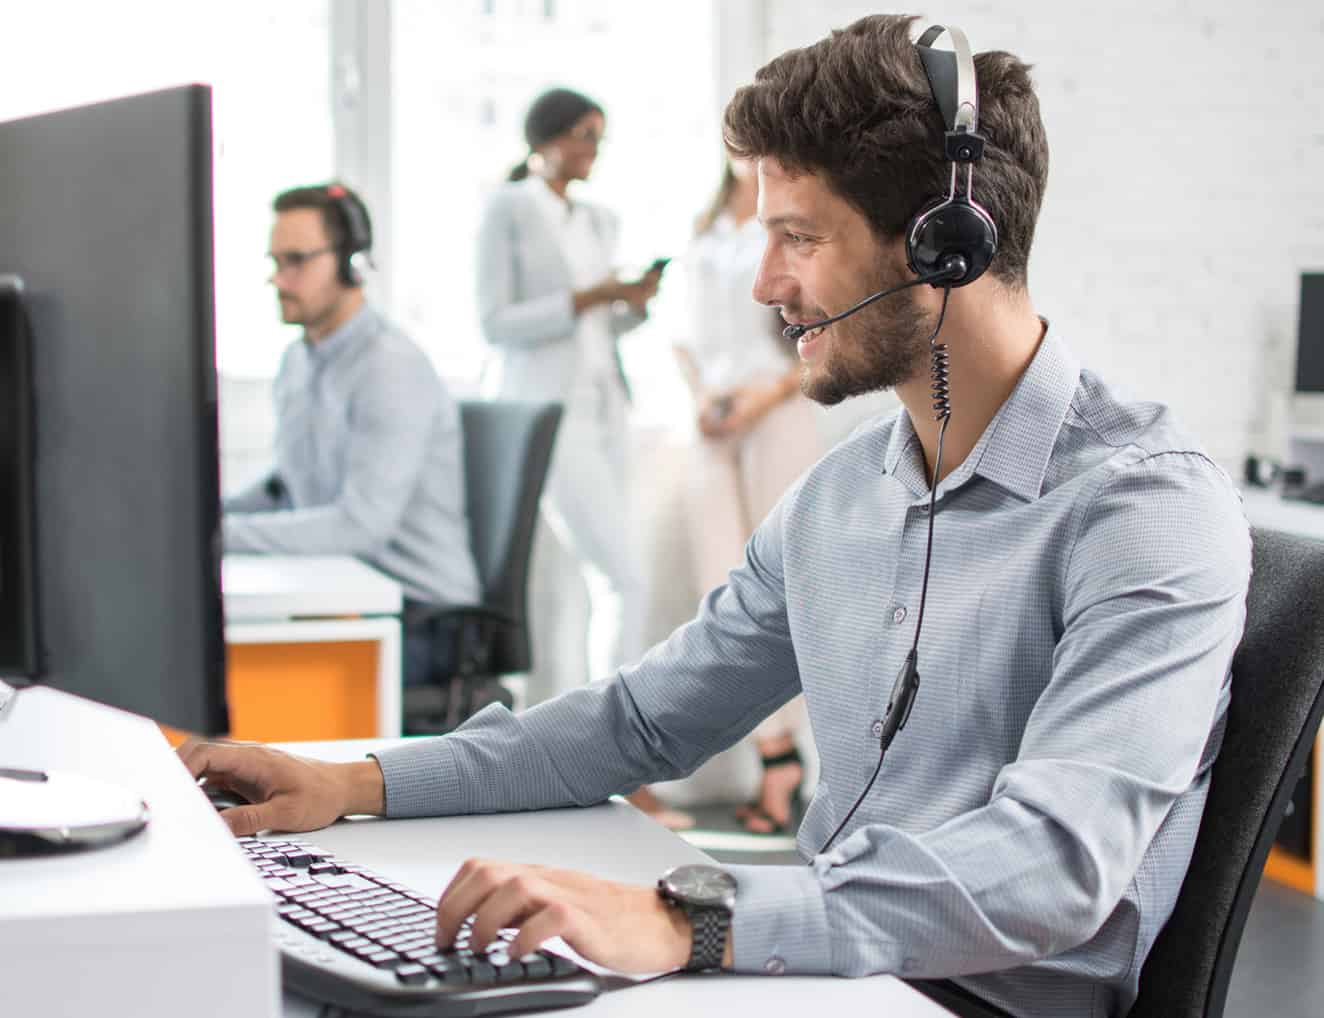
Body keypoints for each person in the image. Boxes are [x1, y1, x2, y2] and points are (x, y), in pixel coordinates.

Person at [185, 18, 1250, 1017]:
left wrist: (681, 917)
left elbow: (1052, 865)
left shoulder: (1144, 506)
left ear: (941, 246)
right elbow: (637, 723)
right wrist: (353, 780)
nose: (764, 283)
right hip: (821, 977)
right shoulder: (842, 497)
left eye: (798, 237)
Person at [474, 88, 687, 828]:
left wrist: (632, 302)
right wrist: (590, 294)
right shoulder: (509, 208)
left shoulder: (599, 217)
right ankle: (616, 759)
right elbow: (496, 323)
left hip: (605, 409)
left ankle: (570, 755)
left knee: (586, 590)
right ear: (547, 139)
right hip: (546, 415)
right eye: (583, 135)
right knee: (620, 577)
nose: (593, 148)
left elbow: (605, 329)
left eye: (601, 135)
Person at [224, 184, 482, 692]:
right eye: (275, 261)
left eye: (296, 260)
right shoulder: (298, 360)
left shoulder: (390, 369)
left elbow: (358, 527)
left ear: (353, 264)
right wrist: (203, 518)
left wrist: (215, 540)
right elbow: (286, 487)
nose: (278, 278)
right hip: (342, 595)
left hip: (422, 619)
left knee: (246, 688)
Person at [673, 156, 822, 834]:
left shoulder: (791, 225)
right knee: (724, 589)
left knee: (783, 582)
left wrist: (764, 396)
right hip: (716, 417)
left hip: (776, 408)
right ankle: (775, 752)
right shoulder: (705, 226)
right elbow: (682, 335)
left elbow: (823, 323)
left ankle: (783, 760)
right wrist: (702, 396)